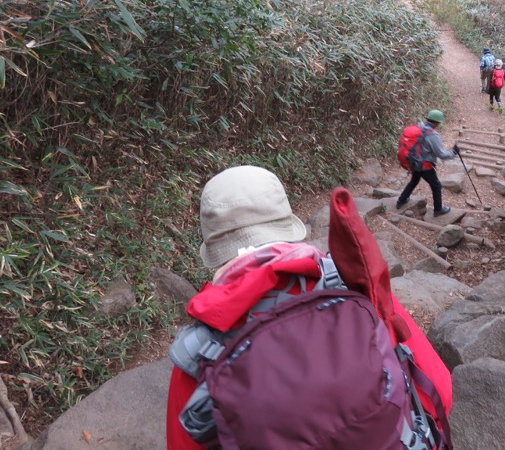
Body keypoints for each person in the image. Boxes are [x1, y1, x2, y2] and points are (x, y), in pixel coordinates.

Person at [166, 165, 453, 450]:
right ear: (286, 223)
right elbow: (439, 387)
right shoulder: (350, 284)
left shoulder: (201, 350)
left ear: (213, 245)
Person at [396, 109, 460, 217]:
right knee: (436, 185)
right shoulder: (432, 134)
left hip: (414, 161)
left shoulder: (420, 127)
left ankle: (401, 200)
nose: (439, 124)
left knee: (414, 180)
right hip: (424, 165)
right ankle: (438, 210)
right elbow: (442, 154)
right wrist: (454, 152)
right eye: (439, 122)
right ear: (436, 122)